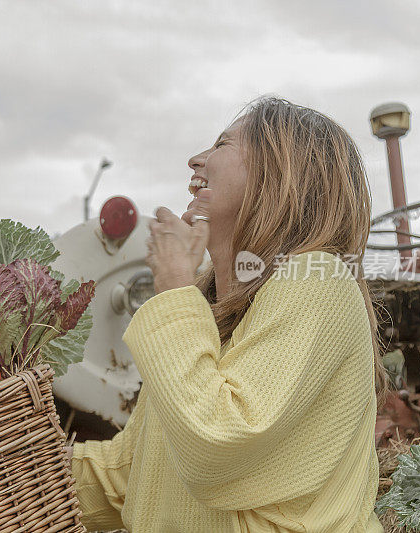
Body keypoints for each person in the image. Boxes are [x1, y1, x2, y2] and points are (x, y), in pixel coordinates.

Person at [68, 96, 389, 532]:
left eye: (221, 144)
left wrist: (176, 289)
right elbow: (132, 472)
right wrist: (7, 459)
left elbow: (218, 441)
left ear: (279, 174)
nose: (196, 159)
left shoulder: (319, 281)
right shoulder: (206, 311)